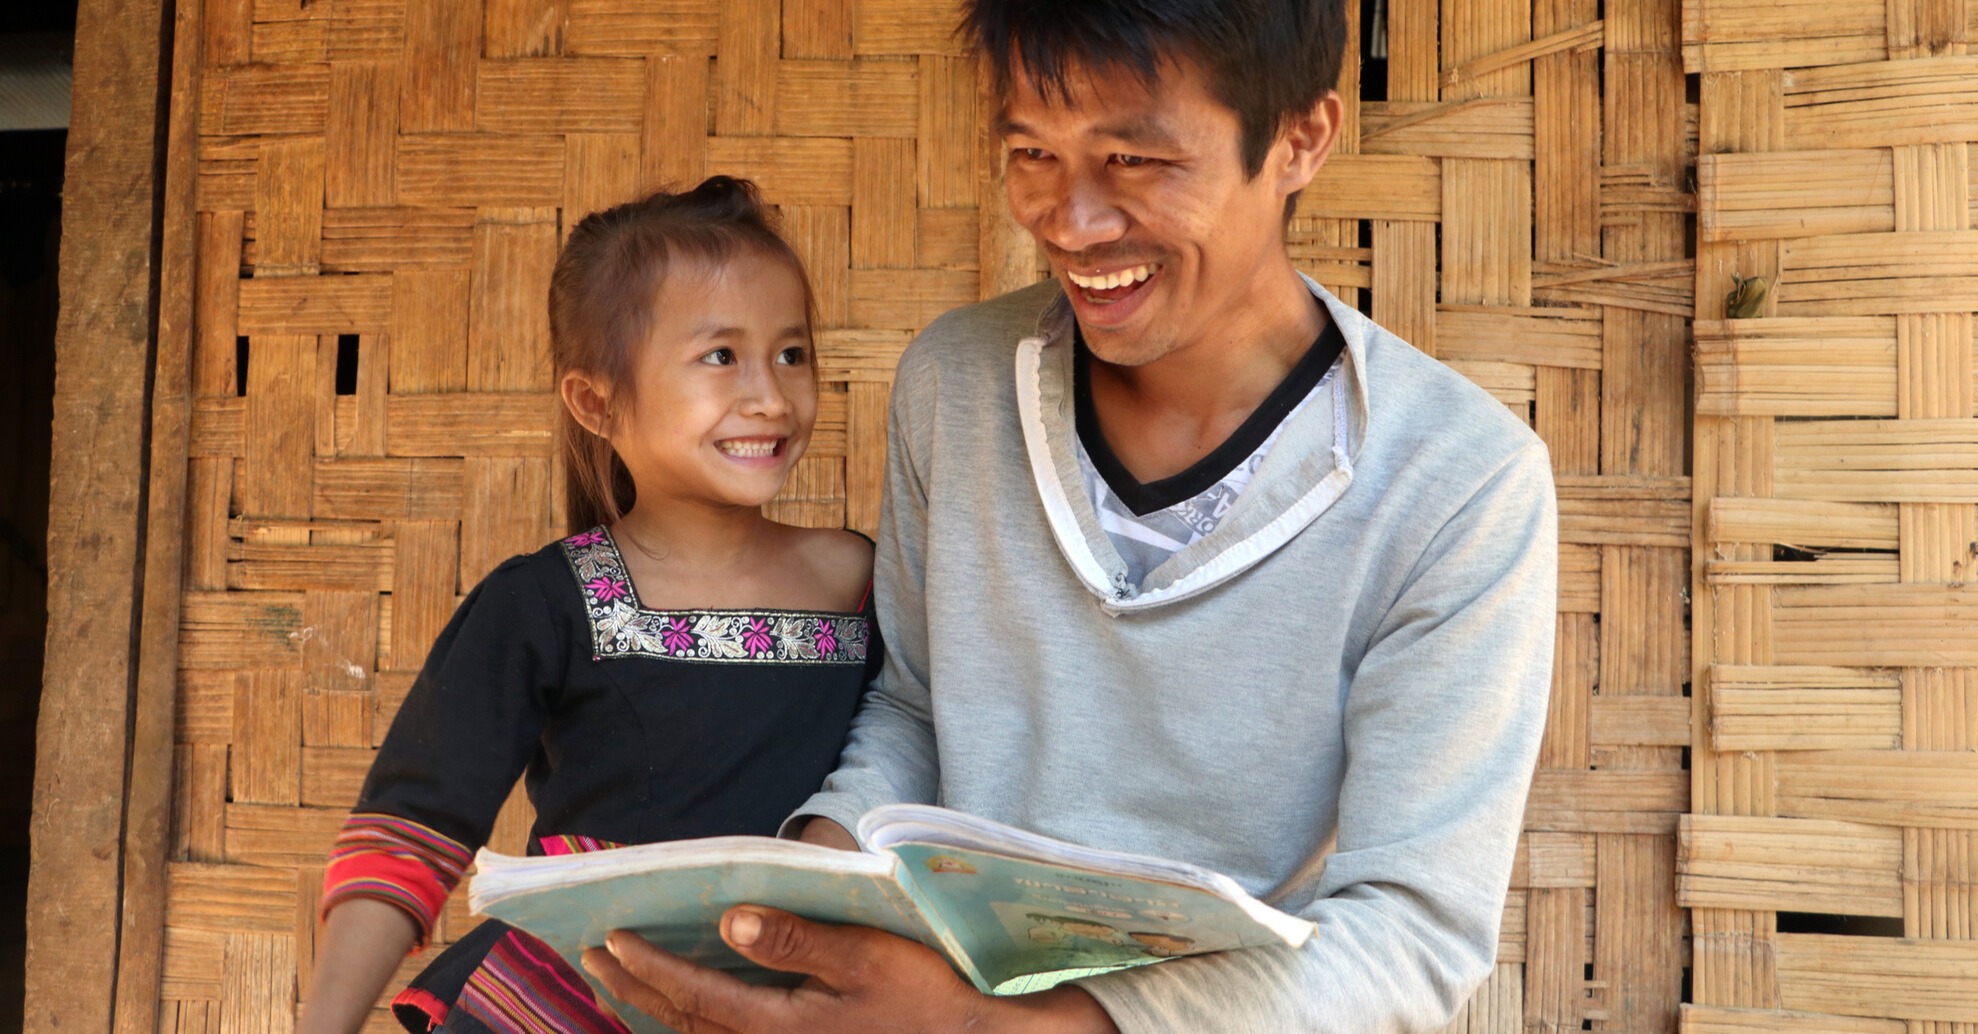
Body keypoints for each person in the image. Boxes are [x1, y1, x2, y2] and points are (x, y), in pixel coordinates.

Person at [583, 1, 1558, 1031]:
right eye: (1032, 153)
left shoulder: (1458, 481)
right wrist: (786, 922)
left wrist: (986, 1025)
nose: (1069, 220)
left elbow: (1410, 932)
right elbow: (918, 709)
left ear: (1297, 138)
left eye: (1134, 159)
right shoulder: (955, 382)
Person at [298, 177, 880, 1034]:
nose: (770, 395)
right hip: (562, 1004)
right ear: (596, 401)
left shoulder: (860, 580)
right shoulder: (542, 603)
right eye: (721, 356)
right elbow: (412, 828)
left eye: (792, 354)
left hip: (789, 1002)